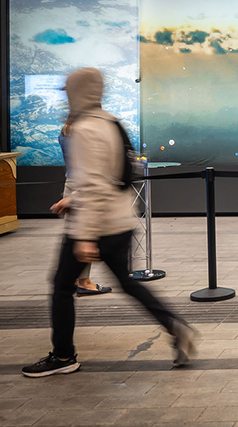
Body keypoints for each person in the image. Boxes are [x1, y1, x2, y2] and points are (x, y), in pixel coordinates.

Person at [21, 67, 196, 378]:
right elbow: (112, 177)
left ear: (78, 93)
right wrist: (71, 200)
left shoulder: (85, 129)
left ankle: (63, 355)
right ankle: (174, 325)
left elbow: (92, 185)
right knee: (127, 284)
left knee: (61, 286)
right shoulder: (110, 122)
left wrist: (86, 236)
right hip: (120, 220)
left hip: (94, 225)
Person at [58, 126, 112, 297]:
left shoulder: (64, 132)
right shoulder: (84, 132)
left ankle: (75, 279)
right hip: (83, 186)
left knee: (75, 232)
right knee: (86, 232)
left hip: (70, 182)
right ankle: (84, 282)